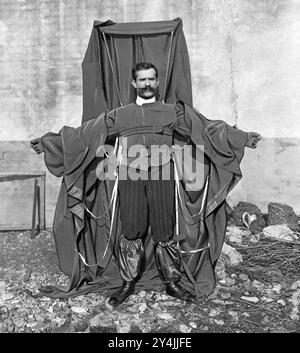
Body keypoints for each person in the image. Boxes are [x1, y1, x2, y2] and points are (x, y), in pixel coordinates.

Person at [31, 62, 261, 307]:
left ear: (157, 81)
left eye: (151, 79)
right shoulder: (120, 115)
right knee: (131, 230)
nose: (147, 83)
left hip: (163, 175)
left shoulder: (172, 112)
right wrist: (49, 143)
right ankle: (128, 282)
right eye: (142, 80)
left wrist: (242, 138)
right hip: (130, 176)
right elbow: (83, 135)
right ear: (134, 84)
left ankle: (171, 283)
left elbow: (206, 128)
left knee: (164, 230)